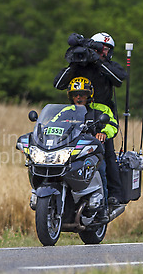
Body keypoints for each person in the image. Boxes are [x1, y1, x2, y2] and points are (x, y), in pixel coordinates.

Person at [53, 32, 127, 207]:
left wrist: (98, 62)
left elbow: (119, 79)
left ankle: (114, 195)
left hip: (103, 115)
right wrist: (74, 63)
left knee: (107, 154)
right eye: (101, 49)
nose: (104, 52)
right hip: (78, 114)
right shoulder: (80, 65)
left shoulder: (107, 65)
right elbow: (58, 84)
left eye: (107, 50)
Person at [66, 77, 119, 223]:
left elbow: (113, 125)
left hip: (92, 151)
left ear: (89, 94)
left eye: (82, 94)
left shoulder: (101, 109)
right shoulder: (66, 111)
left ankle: (102, 209)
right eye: (75, 94)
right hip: (70, 152)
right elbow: (51, 124)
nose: (78, 97)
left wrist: (104, 133)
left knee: (99, 171)